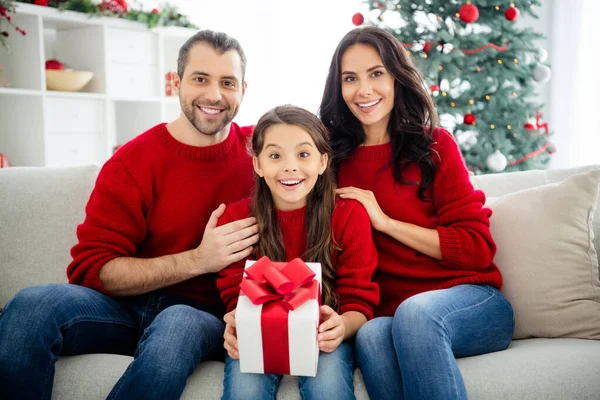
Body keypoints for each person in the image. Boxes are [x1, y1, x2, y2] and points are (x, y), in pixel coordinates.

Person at [0, 30, 259, 400]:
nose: (214, 95)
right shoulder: (134, 161)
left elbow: (322, 147)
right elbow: (92, 270)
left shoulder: (263, 156)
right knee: (31, 306)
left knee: (176, 321)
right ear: (175, 83)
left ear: (244, 90)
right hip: (124, 310)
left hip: (200, 317)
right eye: (200, 78)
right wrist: (199, 260)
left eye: (228, 82)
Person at [319, 26, 514, 400]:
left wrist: (386, 223)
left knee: (415, 315)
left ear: (396, 77)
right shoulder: (332, 160)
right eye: (350, 78)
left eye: (376, 74)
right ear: (338, 87)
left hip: (472, 303)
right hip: (391, 314)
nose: (364, 90)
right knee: (374, 335)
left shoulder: (435, 146)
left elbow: (477, 249)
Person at [215, 105, 380, 400]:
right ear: (258, 165)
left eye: (303, 154)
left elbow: (360, 299)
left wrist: (342, 326)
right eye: (275, 156)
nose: (290, 166)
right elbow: (232, 293)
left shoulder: (347, 215)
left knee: (327, 385)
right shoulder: (237, 220)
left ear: (322, 161)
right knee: (245, 389)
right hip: (260, 336)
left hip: (324, 336)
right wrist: (236, 322)